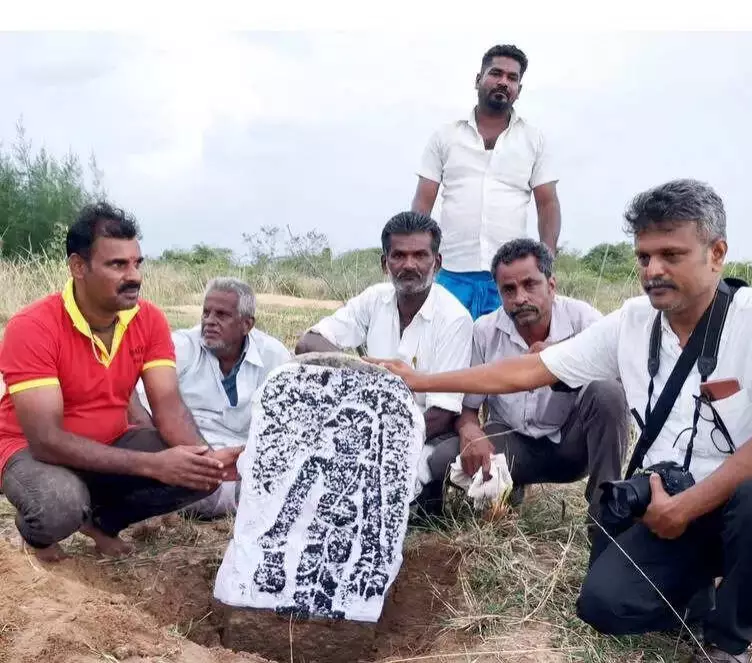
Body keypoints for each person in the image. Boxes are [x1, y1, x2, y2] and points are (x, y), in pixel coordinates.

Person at [371, 179, 752, 663]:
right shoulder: (633, 321)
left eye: (671, 255)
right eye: (643, 257)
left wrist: (684, 509)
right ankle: (698, 591)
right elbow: (529, 370)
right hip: (667, 497)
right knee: (604, 606)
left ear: (716, 253)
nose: (653, 270)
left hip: (736, 502)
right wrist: (420, 380)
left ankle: (729, 641)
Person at [0, 202, 241, 563]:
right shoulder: (32, 327)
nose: (134, 276)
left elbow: (170, 407)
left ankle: (100, 523)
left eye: (137, 263)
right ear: (78, 267)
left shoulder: (149, 320)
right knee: (59, 504)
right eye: (117, 265)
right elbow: (46, 441)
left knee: (199, 474)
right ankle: (39, 534)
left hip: (110, 442)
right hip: (30, 451)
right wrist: (152, 465)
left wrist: (209, 461)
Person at [421, 238, 629, 539]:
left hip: (571, 445)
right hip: (512, 440)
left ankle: (605, 514)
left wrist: (560, 355)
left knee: (607, 391)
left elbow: (625, 388)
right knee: (440, 461)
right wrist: (470, 430)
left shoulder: (586, 321)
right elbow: (468, 409)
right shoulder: (485, 331)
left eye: (530, 285)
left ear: (551, 285)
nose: (520, 298)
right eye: (509, 290)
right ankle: (507, 488)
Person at [295, 211, 473, 456]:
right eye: (399, 255)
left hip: (421, 433)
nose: (409, 265)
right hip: (362, 421)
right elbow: (309, 344)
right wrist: (362, 378)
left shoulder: (455, 318)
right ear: (384, 263)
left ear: (437, 263)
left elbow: (441, 415)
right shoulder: (374, 298)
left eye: (420, 255)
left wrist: (377, 440)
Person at [411, 44, 560, 320]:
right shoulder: (445, 136)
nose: (504, 81)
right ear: (478, 79)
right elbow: (423, 202)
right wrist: (418, 257)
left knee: (506, 354)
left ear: (519, 89)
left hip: (508, 277)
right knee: (444, 355)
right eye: (496, 73)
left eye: (512, 78)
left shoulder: (534, 140)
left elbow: (548, 204)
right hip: (450, 272)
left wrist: (545, 263)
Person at [131, 277, 291, 519]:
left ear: (247, 324)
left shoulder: (274, 355)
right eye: (206, 313)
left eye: (222, 315)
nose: (209, 322)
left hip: (245, 461)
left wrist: (250, 457)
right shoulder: (180, 347)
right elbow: (146, 412)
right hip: (190, 457)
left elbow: (286, 424)